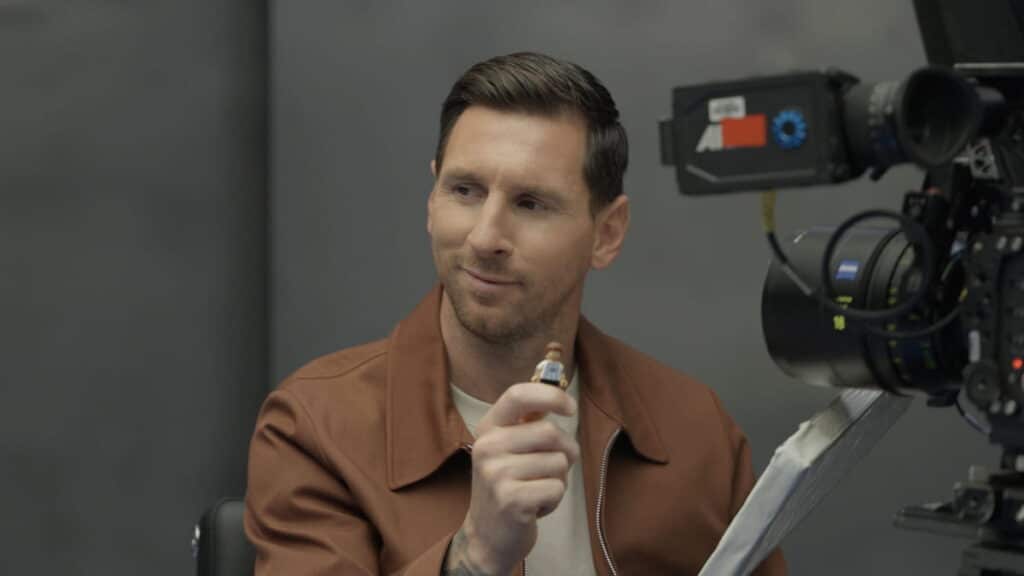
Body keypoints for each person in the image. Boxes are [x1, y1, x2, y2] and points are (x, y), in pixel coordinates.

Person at [244, 51, 787, 576]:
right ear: (432, 200)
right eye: (464, 191)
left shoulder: (696, 430)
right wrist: (475, 556)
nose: (485, 237)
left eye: (530, 203)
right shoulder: (316, 426)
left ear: (607, 233)